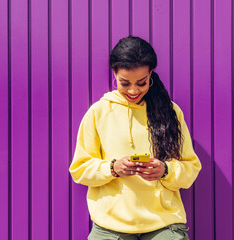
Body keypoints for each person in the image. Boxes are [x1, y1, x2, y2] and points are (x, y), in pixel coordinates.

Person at [69, 36, 202, 240]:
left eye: (141, 83)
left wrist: (165, 170)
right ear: (114, 74)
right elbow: (79, 170)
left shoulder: (171, 112)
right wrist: (113, 168)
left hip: (164, 224)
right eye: (125, 83)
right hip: (111, 226)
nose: (133, 91)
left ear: (150, 74)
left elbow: (190, 169)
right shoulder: (98, 112)